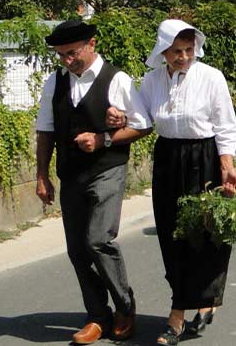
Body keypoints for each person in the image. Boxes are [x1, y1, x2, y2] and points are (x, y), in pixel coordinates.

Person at [106, 20, 236, 345]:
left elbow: (225, 124)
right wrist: (116, 118)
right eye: (176, 51)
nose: (183, 57)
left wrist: (227, 164)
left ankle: (179, 314)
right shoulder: (151, 81)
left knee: (206, 234)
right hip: (168, 160)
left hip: (204, 159)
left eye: (188, 50)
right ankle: (190, 300)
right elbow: (140, 119)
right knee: (172, 235)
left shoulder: (211, 77)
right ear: (163, 51)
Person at [35, 20, 151, 345]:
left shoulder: (117, 79)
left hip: (106, 170)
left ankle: (125, 308)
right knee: (77, 250)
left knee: (99, 239)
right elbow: (45, 130)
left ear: (92, 44)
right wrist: (42, 175)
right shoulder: (54, 82)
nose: (67, 61)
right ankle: (98, 315)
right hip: (70, 174)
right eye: (61, 56)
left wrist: (104, 139)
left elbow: (142, 125)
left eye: (72, 53)